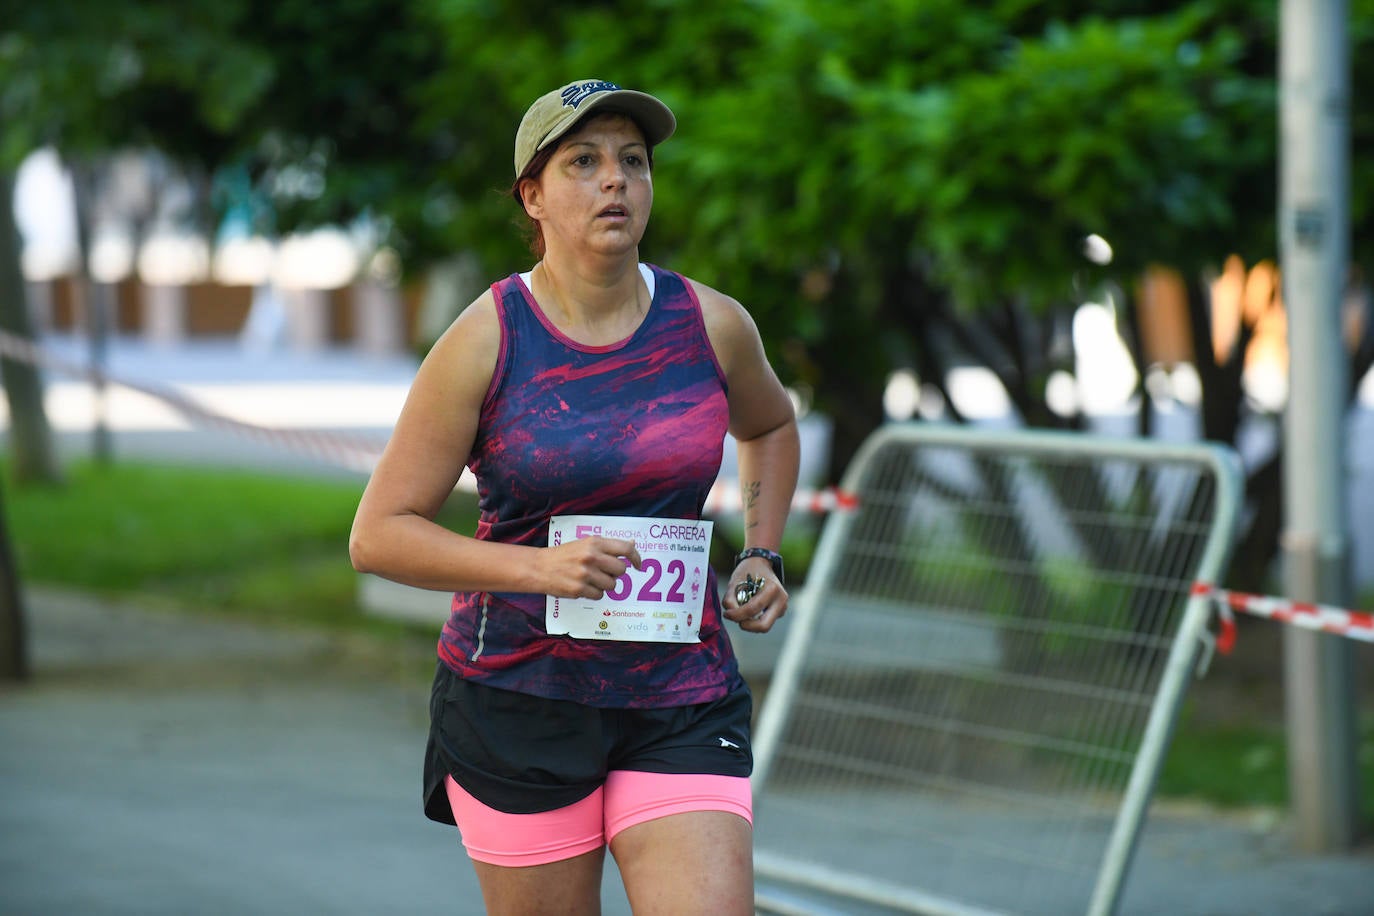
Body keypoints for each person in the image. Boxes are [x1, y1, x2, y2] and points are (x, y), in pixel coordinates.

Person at [349, 78, 800, 915]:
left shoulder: (712, 324)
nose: (615, 181)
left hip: (682, 695)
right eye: (584, 162)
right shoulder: (487, 337)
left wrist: (762, 551)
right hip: (521, 701)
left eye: (633, 162)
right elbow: (378, 536)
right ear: (533, 196)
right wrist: (540, 571)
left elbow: (769, 426)